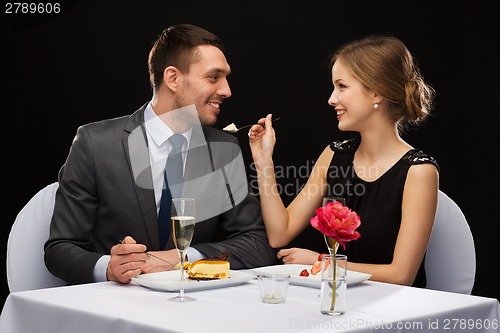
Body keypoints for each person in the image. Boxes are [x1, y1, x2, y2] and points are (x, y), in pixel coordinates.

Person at [44, 23, 276, 285]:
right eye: (214, 77)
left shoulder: (224, 149)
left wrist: (182, 259)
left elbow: (256, 243)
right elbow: (59, 249)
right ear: (173, 78)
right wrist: (110, 267)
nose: (226, 90)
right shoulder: (94, 143)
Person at [249, 35, 439, 287]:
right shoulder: (334, 155)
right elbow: (279, 233)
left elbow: (401, 276)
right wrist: (263, 162)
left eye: (342, 86)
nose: (331, 98)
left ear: (376, 92)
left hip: (393, 311)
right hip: (336, 301)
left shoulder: (419, 171)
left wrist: (321, 261)